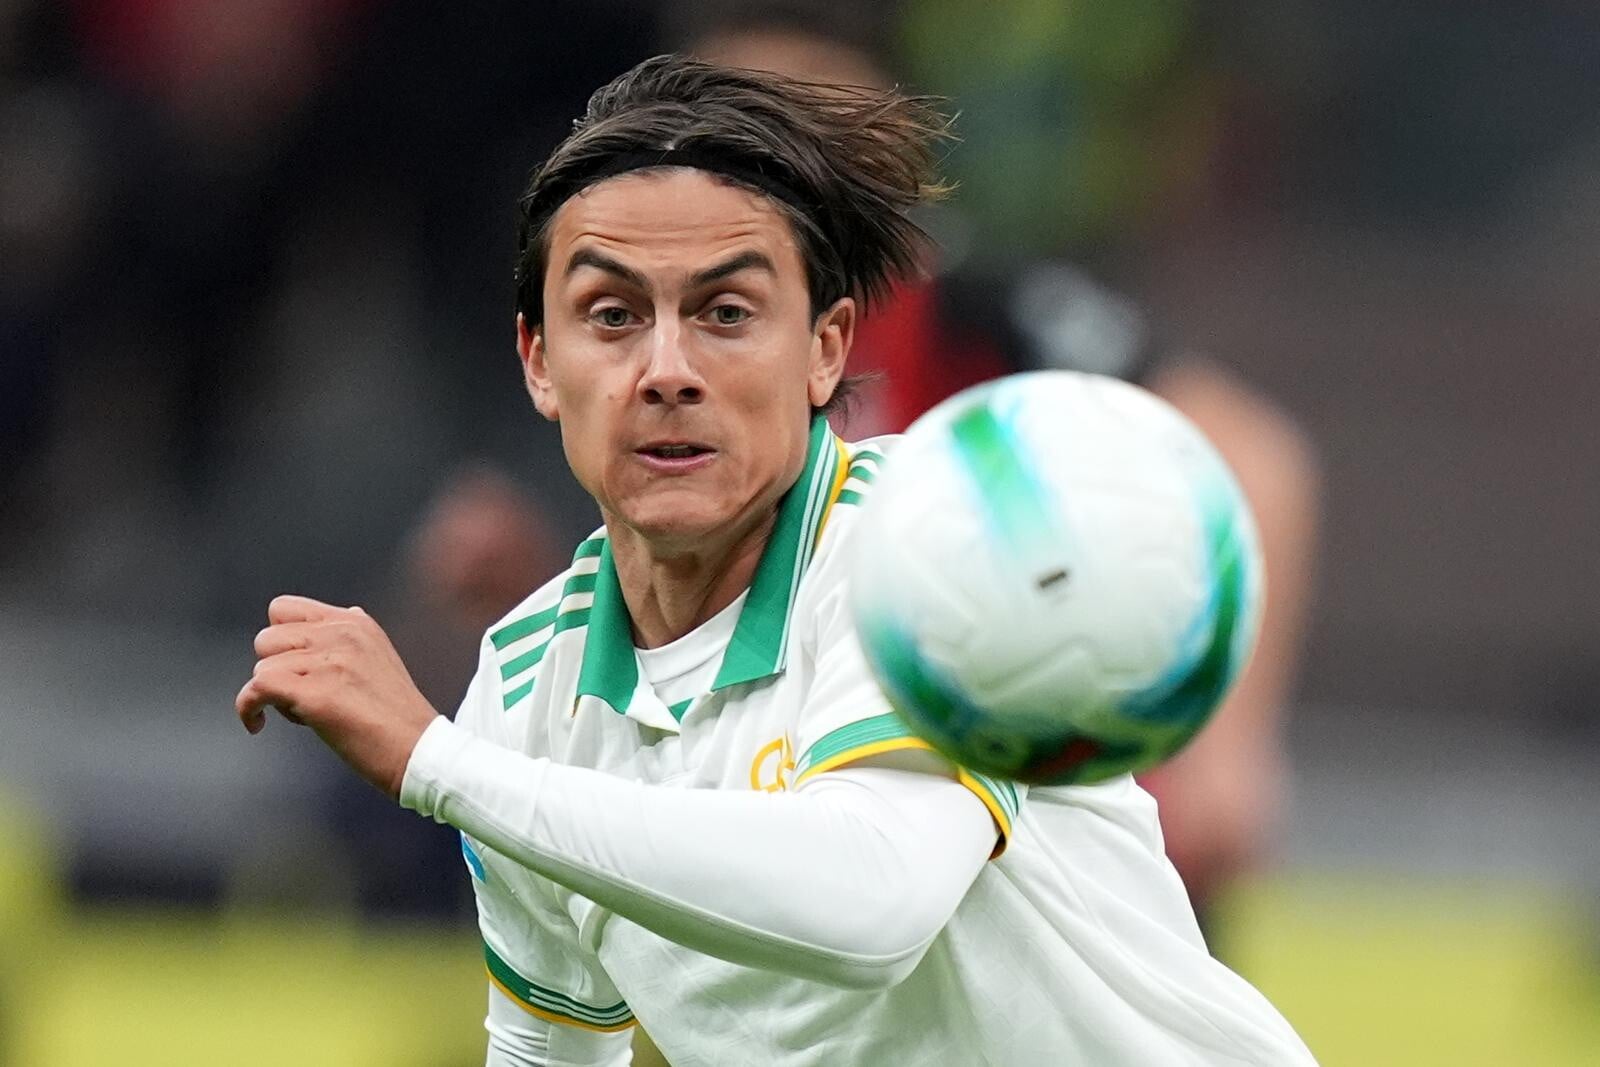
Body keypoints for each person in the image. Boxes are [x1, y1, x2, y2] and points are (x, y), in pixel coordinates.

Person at [237, 56, 1315, 1065]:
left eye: (726, 313)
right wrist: (467, 765)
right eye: (611, 314)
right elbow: (548, 1049)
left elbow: (873, 905)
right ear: (539, 361)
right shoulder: (525, 691)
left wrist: (438, 764)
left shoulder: (922, 552)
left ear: (825, 349)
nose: (667, 369)